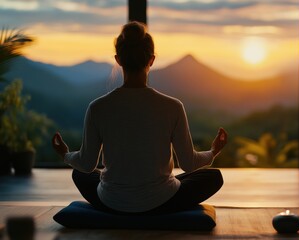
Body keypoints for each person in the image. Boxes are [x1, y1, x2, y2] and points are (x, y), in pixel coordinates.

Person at [51, 21, 227, 215]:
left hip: (111, 202)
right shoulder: (173, 106)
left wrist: (65, 154)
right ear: (151, 60)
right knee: (213, 177)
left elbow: (85, 164)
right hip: (162, 201)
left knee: (80, 174)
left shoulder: (98, 107)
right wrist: (213, 151)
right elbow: (188, 163)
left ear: (118, 60)